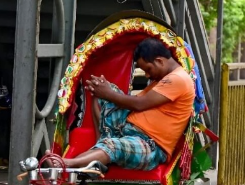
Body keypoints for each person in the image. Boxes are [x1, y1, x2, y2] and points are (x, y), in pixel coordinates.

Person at [61, 38, 195, 170]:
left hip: (150, 146)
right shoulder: (163, 78)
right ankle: (100, 148)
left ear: (159, 61)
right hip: (127, 129)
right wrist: (103, 90)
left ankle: (68, 163)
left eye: (148, 69)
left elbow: (139, 104)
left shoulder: (178, 79)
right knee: (100, 90)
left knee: (112, 142)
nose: (147, 75)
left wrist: (108, 93)